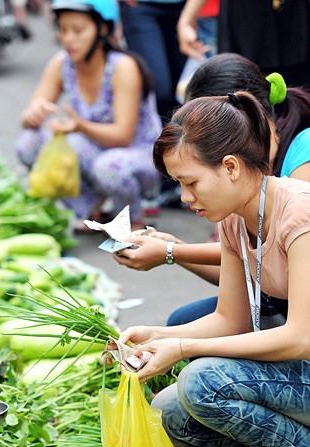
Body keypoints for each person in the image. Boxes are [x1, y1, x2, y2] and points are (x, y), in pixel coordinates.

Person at [115, 91, 310, 447]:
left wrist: (183, 347)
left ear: (231, 167)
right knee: (169, 409)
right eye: (178, 185)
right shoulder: (234, 220)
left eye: (191, 183)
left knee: (202, 382)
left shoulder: (300, 214)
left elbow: (301, 337)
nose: (185, 197)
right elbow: (229, 319)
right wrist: (153, 337)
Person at [113, 52, 310, 326]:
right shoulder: (235, 202)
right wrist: (172, 248)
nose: (185, 197)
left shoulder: (299, 177)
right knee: (182, 323)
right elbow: (243, 274)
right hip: (272, 296)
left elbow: (298, 332)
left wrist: (172, 251)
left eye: (191, 182)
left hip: (297, 311)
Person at [15, 0, 162, 232]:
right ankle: (91, 209)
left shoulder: (123, 67)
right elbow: (30, 114)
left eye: (78, 30)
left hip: (137, 154)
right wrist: (32, 115)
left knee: (107, 166)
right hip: (94, 149)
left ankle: (131, 218)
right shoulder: (61, 63)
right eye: (62, 30)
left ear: (103, 29)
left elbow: (123, 136)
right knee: (29, 143)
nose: (69, 39)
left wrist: (80, 126)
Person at [177, 0, 310, 87]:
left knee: (300, 92)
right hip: (244, 20)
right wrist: (186, 19)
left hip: (295, 19)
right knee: (241, 84)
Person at [119, 0, 187, 123]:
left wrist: (189, 17)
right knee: (158, 89)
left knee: (183, 91)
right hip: (140, 7)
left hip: (184, 9)